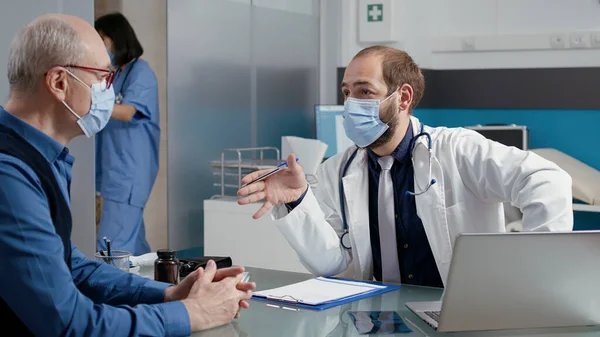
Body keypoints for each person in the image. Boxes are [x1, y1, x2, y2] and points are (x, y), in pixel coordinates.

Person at [0, 14, 254, 336]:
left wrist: (166, 294)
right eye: (103, 78)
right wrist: (190, 314)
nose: (109, 89)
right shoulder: (10, 173)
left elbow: (70, 264)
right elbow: (69, 323)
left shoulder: (40, 158)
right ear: (59, 82)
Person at [237, 45, 573, 287]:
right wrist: (298, 200)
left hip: (459, 313)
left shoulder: (458, 149)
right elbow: (333, 263)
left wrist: (533, 279)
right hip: (380, 316)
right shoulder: (338, 171)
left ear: (403, 98)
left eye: (365, 91)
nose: (351, 104)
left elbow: (546, 180)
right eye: (346, 92)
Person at [94, 12, 159, 255]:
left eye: (102, 39)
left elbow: (129, 111)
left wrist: (92, 104)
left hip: (127, 176)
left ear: (117, 38)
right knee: (137, 250)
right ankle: (160, 290)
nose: (100, 45)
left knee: (110, 251)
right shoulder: (117, 74)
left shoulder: (140, 73)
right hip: (114, 174)